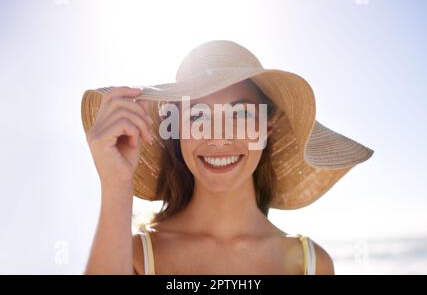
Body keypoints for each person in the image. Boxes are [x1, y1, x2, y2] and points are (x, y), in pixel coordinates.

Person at [81, 40, 374, 274]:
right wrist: (116, 184)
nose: (219, 137)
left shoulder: (312, 264)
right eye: (198, 114)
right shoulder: (137, 257)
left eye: (241, 113)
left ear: (267, 128)